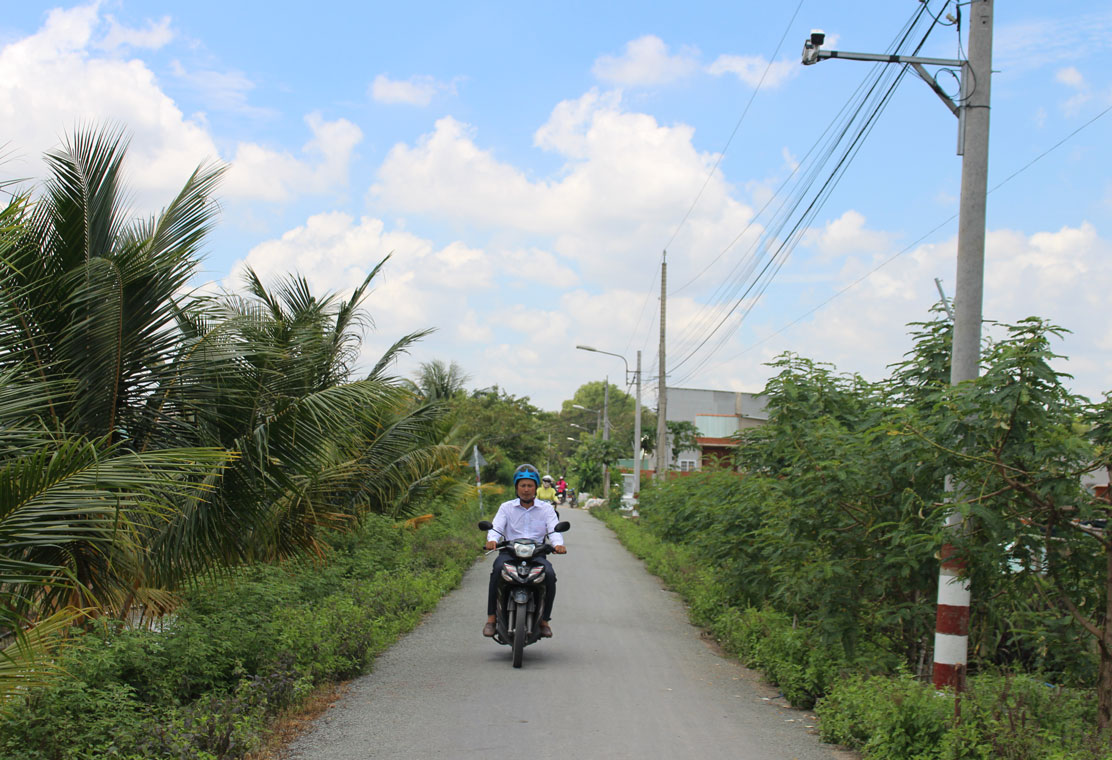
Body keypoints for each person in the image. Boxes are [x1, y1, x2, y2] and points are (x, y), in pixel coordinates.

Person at [483, 463, 566, 638]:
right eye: (522, 485)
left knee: (549, 575)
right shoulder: (506, 507)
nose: (526, 490)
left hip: (537, 554)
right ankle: (491, 619)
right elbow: (496, 528)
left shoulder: (547, 509)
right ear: (516, 487)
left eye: (529, 485)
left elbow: (553, 530)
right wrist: (492, 540)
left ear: (535, 487)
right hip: (509, 553)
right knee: (497, 571)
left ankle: (544, 621)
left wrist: (558, 544)